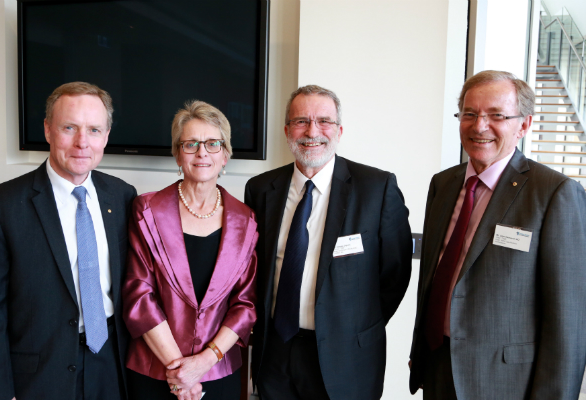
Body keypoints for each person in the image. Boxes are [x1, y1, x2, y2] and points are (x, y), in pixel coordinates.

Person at [409, 70, 586, 399]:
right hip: (438, 368)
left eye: (496, 116)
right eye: (470, 114)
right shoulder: (443, 185)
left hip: (506, 382)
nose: (479, 126)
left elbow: (568, 321)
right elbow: (433, 279)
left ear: (524, 125)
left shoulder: (554, 194)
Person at [244, 85, 412, 400]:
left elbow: (395, 273)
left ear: (339, 130)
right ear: (286, 130)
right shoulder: (261, 189)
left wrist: (356, 325)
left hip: (348, 356)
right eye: (301, 121)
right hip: (275, 353)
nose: (312, 131)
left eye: (324, 121)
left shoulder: (376, 189)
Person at [0, 82, 137, 400]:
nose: (83, 142)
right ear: (48, 130)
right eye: (69, 127)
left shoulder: (122, 196)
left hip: (111, 365)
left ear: (106, 136)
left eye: (94, 130)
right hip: (38, 374)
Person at [122, 100, 258, 400]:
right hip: (153, 370)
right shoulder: (147, 209)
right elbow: (138, 295)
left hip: (219, 372)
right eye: (191, 144)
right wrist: (180, 374)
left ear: (225, 155)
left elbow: (244, 305)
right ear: (176, 153)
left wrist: (202, 364)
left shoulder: (245, 219)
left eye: (212, 143)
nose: (202, 153)